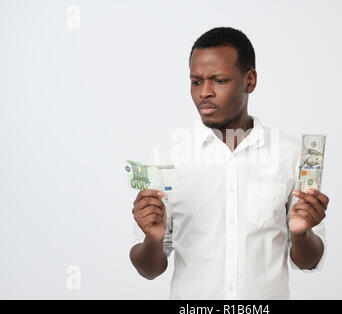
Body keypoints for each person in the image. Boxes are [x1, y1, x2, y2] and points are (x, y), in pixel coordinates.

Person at [129, 27, 330, 299]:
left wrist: (302, 234)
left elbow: (308, 260)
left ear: (250, 81)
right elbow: (149, 270)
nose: (205, 92)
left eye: (219, 80)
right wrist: (152, 240)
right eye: (196, 81)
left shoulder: (292, 155)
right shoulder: (165, 159)